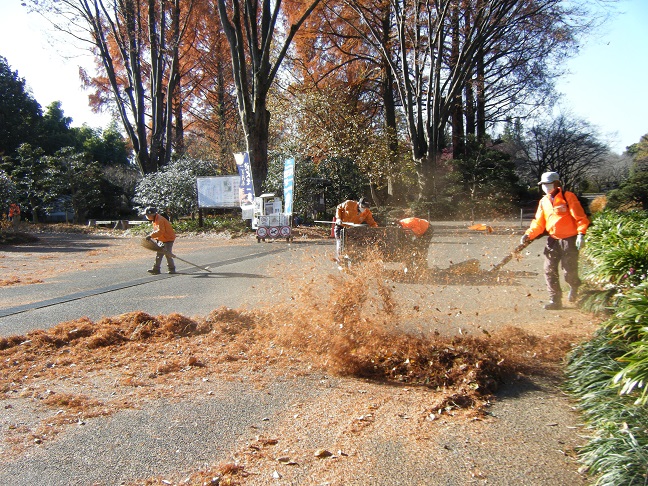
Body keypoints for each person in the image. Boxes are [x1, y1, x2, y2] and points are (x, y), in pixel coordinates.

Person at [521, 172, 590, 310]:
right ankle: (555, 300)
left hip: (569, 240)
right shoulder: (544, 201)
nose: (545, 187)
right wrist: (528, 234)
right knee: (549, 269)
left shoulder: (568, 197)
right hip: (553, 240)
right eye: (543, 185)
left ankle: (574, 285)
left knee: (568, 271)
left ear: (557, 184)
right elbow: (539, 223)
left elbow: (581, 218)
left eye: (548, 184)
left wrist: (581, 234)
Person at [334, 197, 378, 262]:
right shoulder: (349, 203)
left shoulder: (367, 212)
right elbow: (339, 207)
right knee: (340, 243)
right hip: (341, 227)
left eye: (366, 207)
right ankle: (340, 259)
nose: (364, 208)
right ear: (359, 203)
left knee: (354, 244)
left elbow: (371, 222)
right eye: (362, 206)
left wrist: (376, 229)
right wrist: (338, 218)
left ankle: (352, 258)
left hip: (352, 229)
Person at [144, 206, 176, 274]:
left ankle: (172, 269)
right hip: (161, 239)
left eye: (147, 215)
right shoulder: (155, 220)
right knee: (159, 254)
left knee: (168, 254)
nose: (146, 216)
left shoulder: (160, 219)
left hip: (168, 238)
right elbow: (157, 231)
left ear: (151, 214)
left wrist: (151, 235)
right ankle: (156, 269)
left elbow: (161, 231)